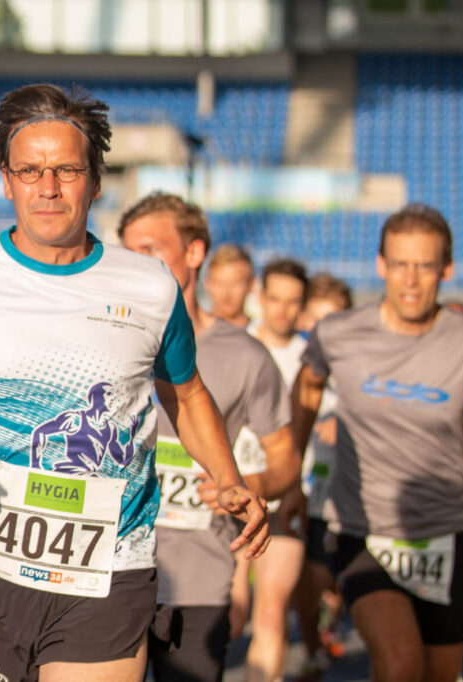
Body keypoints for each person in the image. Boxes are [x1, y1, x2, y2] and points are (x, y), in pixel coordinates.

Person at [0, 83, 270, 682]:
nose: (47, 187)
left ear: (95, 180)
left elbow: (186, 392)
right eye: (29, 170)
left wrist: (228, 478)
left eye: (66, 170)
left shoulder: (149, 286)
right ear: (5, 180)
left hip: (111, 562)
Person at [292, 203, 463, 682]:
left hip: (449, 534)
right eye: (400, 264)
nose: (410, 280)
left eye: (425, 266)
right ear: (380, 264)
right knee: (400, 665)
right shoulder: (339, 333)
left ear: (446, 269)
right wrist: (288, 476)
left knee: (438, 675)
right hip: (366, 530)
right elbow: (307, 385)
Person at [118, 192, 300, 681]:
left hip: (199, 579)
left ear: (194, 253)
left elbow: (286, 458)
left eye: (152, 249)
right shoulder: (103, 344)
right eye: (128, 251)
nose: (138, 264)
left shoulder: (247, 357)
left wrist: (247, 487)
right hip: (110, 570)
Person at [230, 258, 309, 681]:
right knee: (233, 609)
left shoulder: (313, 360)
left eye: (293, 302)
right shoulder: (234, 345)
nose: (282, 310)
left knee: (272, 611)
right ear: (259, 298)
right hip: (231, 495)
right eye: (274, 299)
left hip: (286, 499)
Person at [291, 273, 354, 679]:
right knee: (309, 578)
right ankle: (314, 648)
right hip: (309, 492)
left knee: (337, 580)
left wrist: (344, 426)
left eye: (333, 320)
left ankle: (334, 617)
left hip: (349, 495)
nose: (322, 330)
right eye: (317, 319)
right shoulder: (296, 361)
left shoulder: (356, 365)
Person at [204, 244, 255, 329]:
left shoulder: (262, 337)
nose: (226, 294)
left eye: (235, 284)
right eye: (219, 284)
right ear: (207, 284)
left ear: (251, 285)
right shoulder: (191, 335)